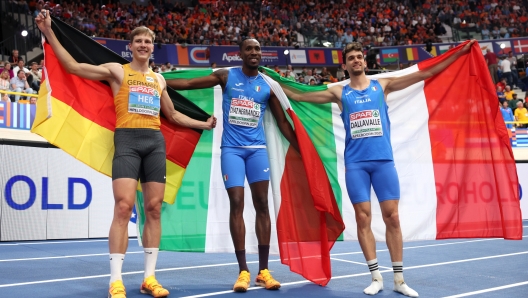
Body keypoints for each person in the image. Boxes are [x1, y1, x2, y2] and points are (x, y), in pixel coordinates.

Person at [36, 10, 216, 298]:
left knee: (154, 209)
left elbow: (173, 115)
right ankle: (116, 280)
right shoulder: (117, 70)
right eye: (139, 41)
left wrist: (203, 123)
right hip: (128, 142)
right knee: (123, 207)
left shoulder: (159, 81)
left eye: (148, 41)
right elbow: (72, 66)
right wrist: (48, 31)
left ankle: (149, 278)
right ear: (130, 47)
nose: (144, 45)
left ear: (153, 47)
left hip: (155, 143)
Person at [283, 40, 475, 297]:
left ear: (365, 61)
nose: (356, 61)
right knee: (363, 218)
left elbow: (426, 73)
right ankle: (375, 276)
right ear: (345, 65)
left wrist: (459, 52)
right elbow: (298, 95)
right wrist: (268, 78)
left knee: (392, 217)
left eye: (359, 56)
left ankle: (399, 278)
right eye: (351, 58)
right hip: (356, 165)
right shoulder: (339, 93)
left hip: (383, 162)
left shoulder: (381, 86)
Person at [166, 38, 299, 293]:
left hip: (257, 151)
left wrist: (300, 148)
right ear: (239, 53)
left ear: (262, 55)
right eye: (249, 49)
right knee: (236, 202)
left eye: (257, 49)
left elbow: (283, 123)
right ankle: (243, 271)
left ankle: (263, 270)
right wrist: (157, 80)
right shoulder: (226, 76)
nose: (254, 52)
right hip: (232, 151)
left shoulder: (268, 86)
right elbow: (189, 83)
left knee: (262, 204)